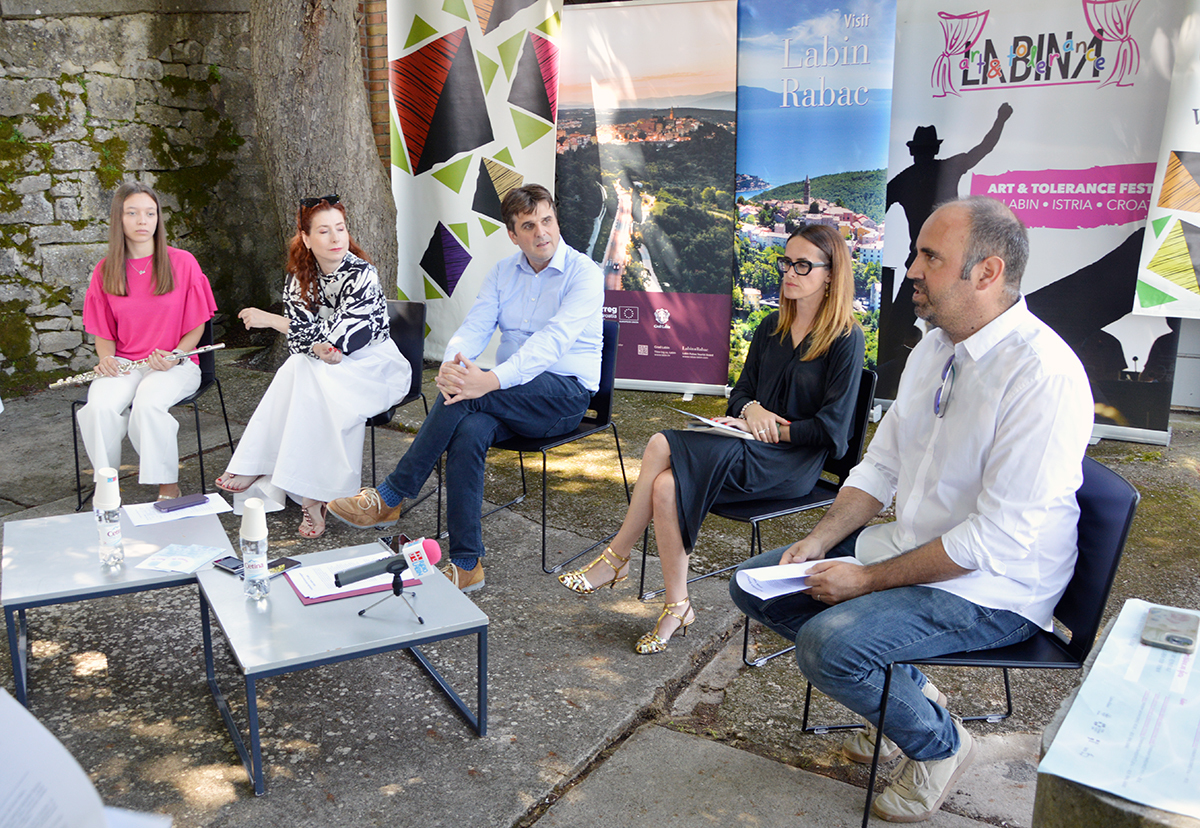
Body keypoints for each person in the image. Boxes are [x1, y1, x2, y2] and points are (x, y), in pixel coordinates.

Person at [730, 197, 1093, 823]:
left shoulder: (1042, 375)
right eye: (917, 251)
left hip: (996, 587)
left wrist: (865, 580)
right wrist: (821, 540)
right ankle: (911, 700)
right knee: (757, 588)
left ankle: (942, 745)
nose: (912, 267)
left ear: (987, 272)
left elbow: (998, 540)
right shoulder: (936, 348)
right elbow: (882, 466)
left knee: (829, 648)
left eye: (930, 256)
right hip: (915, 546)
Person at [558, 224, 864, 655]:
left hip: (792, 463)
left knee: (661, 444)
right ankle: (677, 605)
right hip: (748, 444)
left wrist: (773, 429)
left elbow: (833, 432)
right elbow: (740, 392)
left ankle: (615, 558)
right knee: (665, 485)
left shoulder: (846, 339)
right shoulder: (771, 326)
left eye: (802, 265)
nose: (789, 273)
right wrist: (749, 411)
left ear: (831, 274)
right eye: (785, 262)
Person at [327, 184, 603, 591]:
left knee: (466, 401)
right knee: (468, 424)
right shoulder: (503, 272)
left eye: (547, 220)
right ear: (513, 234)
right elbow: (475, 326)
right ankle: (467, 563)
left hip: (564, 396)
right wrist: (454, 366)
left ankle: (392, 495)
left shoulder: (585, 274)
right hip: (511, 392)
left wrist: (487, 380)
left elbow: (552, 344)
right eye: (529, 225)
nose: (541, 232)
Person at [214, 195, 409, 538]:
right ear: (305, 238)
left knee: (304, 371)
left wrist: (275, 321)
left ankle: (260, 466)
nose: (336, 239)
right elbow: (305, 344)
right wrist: (318, 346)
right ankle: (314, 497)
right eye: (324, 231)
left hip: (374, 366)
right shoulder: (300, 277)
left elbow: (345, 338)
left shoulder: (362, 273)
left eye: (341, 229)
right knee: (302, 369)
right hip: (324, 365)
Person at [78, 182, 217, 501]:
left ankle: (167, 484)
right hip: (127, 363)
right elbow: (104, 333)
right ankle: (107, 485)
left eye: (150, 213)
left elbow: (197, 326)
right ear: (119, 219)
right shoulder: (105, 270)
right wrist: (106, 358)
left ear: (158, 219)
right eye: (132, 213)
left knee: (148, 405)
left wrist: (176, 354)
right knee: (98, 408)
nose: (143, 220)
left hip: (175, 363)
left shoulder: (182, 262)